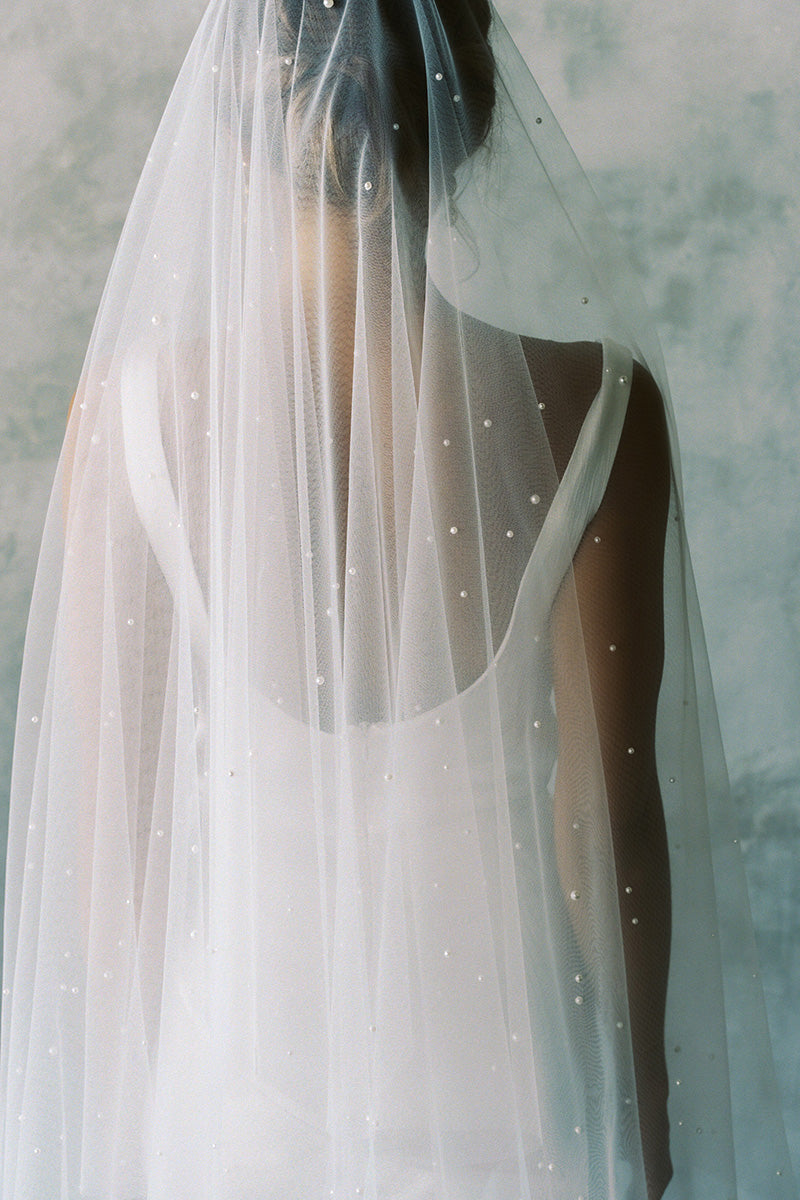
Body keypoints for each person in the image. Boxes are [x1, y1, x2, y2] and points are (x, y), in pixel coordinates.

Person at [0, 0, 795, 1197]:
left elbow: (117, 855)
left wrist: (117, 1130)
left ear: (238, 111)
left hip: (234, 1097)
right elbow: (607, 818)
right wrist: (638, 1107)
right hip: (521, 1088)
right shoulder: (595, 410)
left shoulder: (131, 426)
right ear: (466, 104)